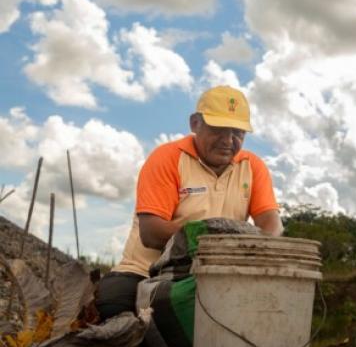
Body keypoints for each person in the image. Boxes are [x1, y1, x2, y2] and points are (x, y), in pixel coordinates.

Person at [96, 85, 283, 321]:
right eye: (218, 129)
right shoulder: (167, 158)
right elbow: (151, 233)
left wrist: (247, 250)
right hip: (146, 270)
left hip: (217, 272)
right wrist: (217, 239)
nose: (228, 140)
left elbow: (272, 226)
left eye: (238, 132)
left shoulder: (252, 166)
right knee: (113, 304)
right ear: (195, 124)